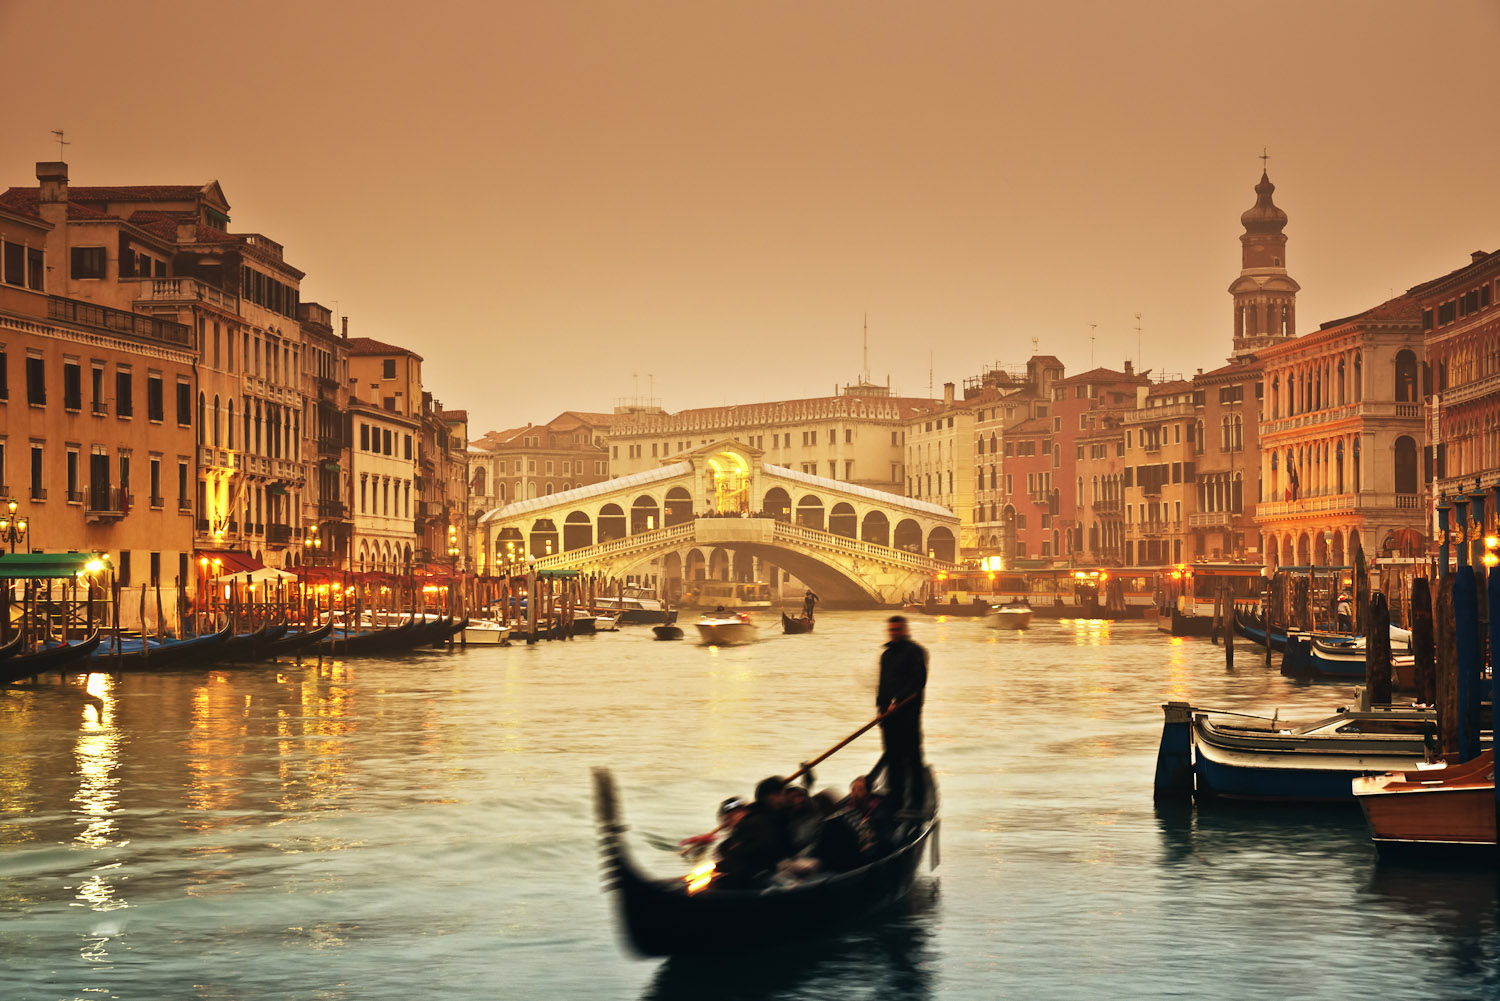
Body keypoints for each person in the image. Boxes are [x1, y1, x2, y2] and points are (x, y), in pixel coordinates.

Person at [869, 616, 928, 814]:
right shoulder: (886, 655)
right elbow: (882, 685)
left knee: (912, 756)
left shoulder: (916, 652)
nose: (893, 633)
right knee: (893, 757)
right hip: (888, 718)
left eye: (897, 630)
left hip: (908, 715)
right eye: (891, 630)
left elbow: (917, 682)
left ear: (904, 630)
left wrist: (897, 700)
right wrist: (881, 709)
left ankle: (917, 802)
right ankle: (896, 799)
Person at [714, 775, 792, 887]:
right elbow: (733, 844)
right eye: (728, 818)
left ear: (742, 811)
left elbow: (763, 845)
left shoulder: (756, 821)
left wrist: (733, 853)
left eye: (732, 815)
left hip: (767, 870)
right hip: (757, 869)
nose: (730, 820)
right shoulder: (745, 825)